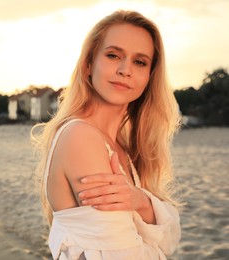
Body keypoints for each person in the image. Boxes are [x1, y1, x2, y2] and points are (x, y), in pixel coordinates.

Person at [31, 10, 181, 260]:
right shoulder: (81, 137)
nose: (125, 70)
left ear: (149, 77)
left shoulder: (120, 147)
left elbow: (168, 241)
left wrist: (141, 201)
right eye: (113, 55)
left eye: (140, 62)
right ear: (89, 64)